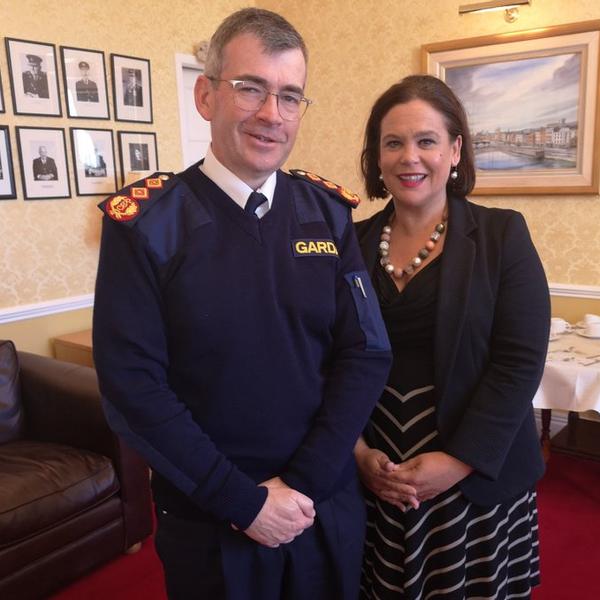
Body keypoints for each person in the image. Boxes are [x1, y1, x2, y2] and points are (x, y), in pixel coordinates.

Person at [93, 7, 392, 600]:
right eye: (250, 88)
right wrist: (244, 501)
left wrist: (302, 486)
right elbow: (133, 385)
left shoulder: (326, 213)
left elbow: (366, 352)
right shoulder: (147, 225)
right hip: (213, 518)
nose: (271, 115)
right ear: (206, 96)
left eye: (289, 96)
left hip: (320, 506)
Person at [354, 75, 550, 599]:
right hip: (377, 474)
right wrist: (356, 452)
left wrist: (458, 461)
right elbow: (330, 356)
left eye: (426, 140)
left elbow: (519, 362)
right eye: (392, 142)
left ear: (455, 149)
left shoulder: (502, 234)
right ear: (376, 155)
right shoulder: (352, 242)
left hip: (475, 478)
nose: (408, 157)